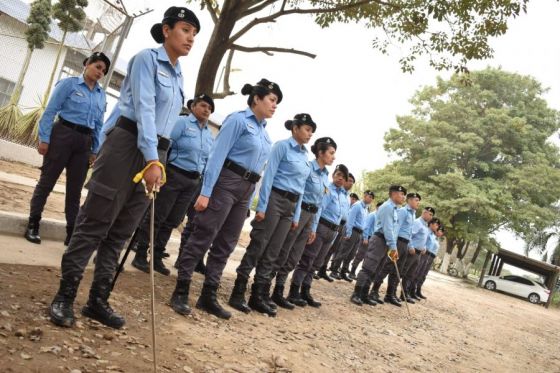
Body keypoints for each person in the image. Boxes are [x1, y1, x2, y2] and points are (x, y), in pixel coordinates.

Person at [49, 6, 200, 329]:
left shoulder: (179, 75)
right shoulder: (146, 60)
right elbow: (144, 109)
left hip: (154, 155)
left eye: (194, 34)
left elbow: (164, 125)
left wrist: (157, 159)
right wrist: (150, 158)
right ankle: (64, 295)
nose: (191, 38)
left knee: (121, 231)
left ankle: (97, 299)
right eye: (186, 30)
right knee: (94, 222)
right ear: (166, 30)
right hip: (128, 146)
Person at [170, 79, 283, 320]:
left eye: (277, 102)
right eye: (272, 100)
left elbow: (258, 171)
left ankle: (208, 295)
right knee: (203, 235)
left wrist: (251, 199)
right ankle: (181, 290)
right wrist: (206, 191)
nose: (275, 106)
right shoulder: (238, 120)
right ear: (256, 99)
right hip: (226, 182)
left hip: (244, 190)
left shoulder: (265, 134)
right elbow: (217, 155)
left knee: (227, 244)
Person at [229, 114, 316, 316]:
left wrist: (295, 216)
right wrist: (262, 205)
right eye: (307, 129)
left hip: (291, 206)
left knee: (274, 251)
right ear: (295, 128)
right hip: (275, 200)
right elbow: (268, 177)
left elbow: (302, 188)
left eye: (312, 131)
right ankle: (238, 291)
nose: (309, 134)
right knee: (259, 245)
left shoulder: (305, 157)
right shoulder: (282, 146)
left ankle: (258, 295)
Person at [24, 52, 111, 246]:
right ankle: (33, 224)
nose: (100, 72)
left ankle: (71, 234)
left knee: (75, 190)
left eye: (103, 71)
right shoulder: (68, 84)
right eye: (97, 67)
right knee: (47, 182)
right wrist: (44, 139)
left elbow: (98, 124)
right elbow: (50, 111)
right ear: (87, 64)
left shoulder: (100, 94)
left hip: (84, 143)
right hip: (62, 135)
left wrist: (95, 150)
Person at [131, 93, 214, 276]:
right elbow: (166, 146)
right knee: (158, 216)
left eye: (209, 108)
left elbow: (207, 159)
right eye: (202, 105)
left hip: (192, 182)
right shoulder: (182, 123)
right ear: (193, 107)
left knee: (173, 220)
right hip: (174, 175)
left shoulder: (208, 134)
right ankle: (140, 253)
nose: (206, 110)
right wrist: (162, 170)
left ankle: (157, 256)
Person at [257, 137, 335, 310]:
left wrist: (313, 227)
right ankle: (264, 289)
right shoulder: (307, 168)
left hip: (310, 217)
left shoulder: (325, 176)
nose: (333, 157)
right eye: (331, 153)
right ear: (320, 153)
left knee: (294, 257)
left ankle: (278, 290)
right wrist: (296, 217)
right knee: (282, 252)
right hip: (298, 214)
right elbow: (299, 193)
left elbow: (320, 204)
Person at [287, 164, 349, 308]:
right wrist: (313, 228)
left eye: (343, 177)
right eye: (338, 174)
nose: (340, 178)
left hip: (333, 230)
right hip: (322, 226)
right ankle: (294, 290)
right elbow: (319, 209)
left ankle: (305, 290)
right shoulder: (328, 189)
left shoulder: (343, 195)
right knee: (307, 260)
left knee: (317, 263)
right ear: (333, 175)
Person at [350, 185, 406, 306]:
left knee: (376, 269)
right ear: (394, 194)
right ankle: (356, 293)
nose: (403, 197)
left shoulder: (395, 208)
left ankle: (364, 294)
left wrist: (392, 245)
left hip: (387, 242)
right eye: (401, 194)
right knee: (368, 267)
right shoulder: (388, 207)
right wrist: (393, 246)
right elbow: (388, 229)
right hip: (380, 240)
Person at [368, 193, 420, 306]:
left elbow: (409, 232)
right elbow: (395, 228)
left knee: (397, 271)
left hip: (405, 244)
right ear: (410, 200)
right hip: (398, 242)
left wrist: (410, 245)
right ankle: (374, 290)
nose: (418, 203)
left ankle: (390, 294)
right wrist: (393, 245)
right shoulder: (403, 211)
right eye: (416, 200)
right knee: (387, 267)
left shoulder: (413, 214)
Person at [329, 191, 375, 281]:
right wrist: (348, 232)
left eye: (372, 198)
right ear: (364, 196)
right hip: (353, 231)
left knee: (351, 254)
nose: (370, 199)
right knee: (344, 251)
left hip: (359, 233)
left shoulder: (366, 209)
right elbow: (350, 220)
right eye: (369, 196)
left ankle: (343, 271)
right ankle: (334, 270)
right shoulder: (357, 205)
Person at [321, 172, 354, 280]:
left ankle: (323, 268)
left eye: (352, 182)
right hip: (332, 222)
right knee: (327, 247)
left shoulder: (347, 196)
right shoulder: (335, 192)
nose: (351, 183)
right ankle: (320, 267)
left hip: (341, 225)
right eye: (349, 180)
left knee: (333, 248)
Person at [401, 216, 440, 301]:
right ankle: (404, 292)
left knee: (415, 274)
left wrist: (424, 247)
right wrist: (412, 246)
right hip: (415, 251)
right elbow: (412, 235)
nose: (437, 227)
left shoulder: (429, 232)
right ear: (432, 224)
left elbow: (423, 242)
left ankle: (408, 292)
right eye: (436, 225)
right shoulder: (420, 225)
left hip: (423, 254)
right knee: (408, 272)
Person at [348, 201, 382, 280]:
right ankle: (352, 272)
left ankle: (361, 274)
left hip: (373, 239)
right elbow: (367, 227)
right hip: (368, 238)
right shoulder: (372, 215)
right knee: (360, 255)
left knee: (368, 257)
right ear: (377, 207)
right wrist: (365, 238)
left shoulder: (379, 217)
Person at [411, 225, 444, 299]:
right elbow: (424, 243)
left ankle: (418, 290)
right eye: (440, 231)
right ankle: (411, 290)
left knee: (423, 274)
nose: (441, 233)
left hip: (431, 257)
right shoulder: (430, 235)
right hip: (425, 254)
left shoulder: (436, 239)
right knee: (418, 272)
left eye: (442, 232)